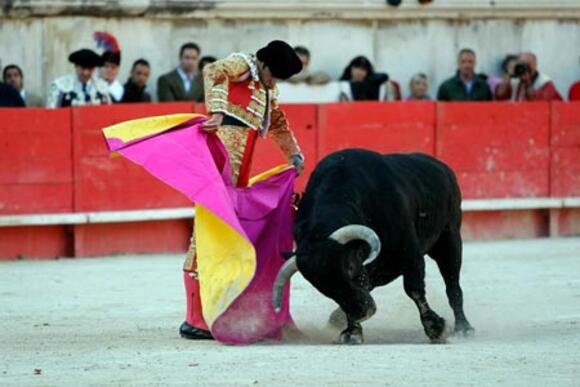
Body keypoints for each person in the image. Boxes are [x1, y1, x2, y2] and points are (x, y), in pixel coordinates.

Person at [180, 40, 304, 340]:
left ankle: (217, 309)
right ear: (263, 64)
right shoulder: (242, 66)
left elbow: (276, 123)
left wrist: (293, 154)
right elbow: (213, 70)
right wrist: (219, 111)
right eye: (274, 75)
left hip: (240, 165)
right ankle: (195, 318)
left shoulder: (267, 88)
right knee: (209, 229)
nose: (275, 82)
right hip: (221, 157)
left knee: (228, 230)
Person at [46, 48, 111, 108]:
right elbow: (51, 113)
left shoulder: (102, 87)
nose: (86, 73)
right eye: (83, 68)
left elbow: (108, 112)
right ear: (76, 66)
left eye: (90, 69)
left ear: (94, 69)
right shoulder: (60, 85)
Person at [496, 52, 563, 101]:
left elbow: (537, 104)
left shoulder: (545, 82)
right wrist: (509, 75)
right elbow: (500, 96)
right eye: (520, 64)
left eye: (527, 65)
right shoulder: (515, 80)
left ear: (534, 66)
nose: (524, 69)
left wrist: (527, 83)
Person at [94, 31, 124, 103]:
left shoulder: (123, 91)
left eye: (113, 67)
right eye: (106, 66)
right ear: (99, 68)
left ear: (118, 70)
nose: (109, 70)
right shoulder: (92, 88)